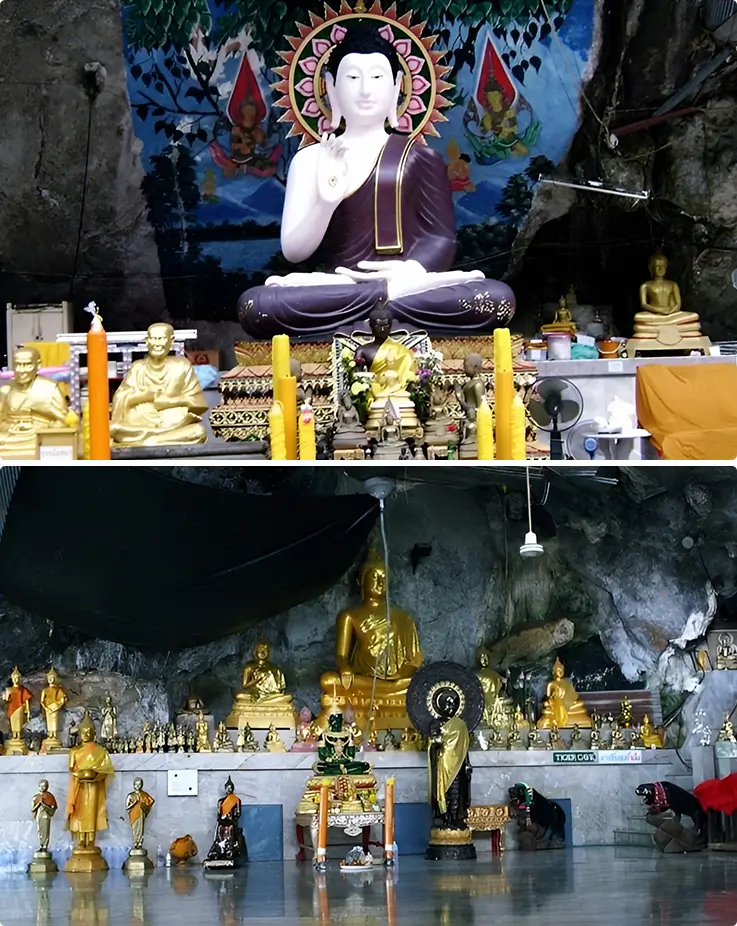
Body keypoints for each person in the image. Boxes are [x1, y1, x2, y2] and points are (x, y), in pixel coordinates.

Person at [237, 24, 515, 338]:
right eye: (353, 78)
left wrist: (412, 271)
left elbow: (441, 239)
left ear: (397, 87)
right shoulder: (310, 159)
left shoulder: (421, 157)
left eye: (378, 77)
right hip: (340, 288)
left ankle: (385, 296)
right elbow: (295, 251)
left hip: (408, 286)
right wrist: (326, 203)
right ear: (330, 87)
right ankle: (381, 298)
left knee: (495, 299)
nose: (366, 89)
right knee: (259, 306)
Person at [110, 322, 208, 446]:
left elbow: (198, 403)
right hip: (140, 423)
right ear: (147, 341)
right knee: (113, 429)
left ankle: (152, 441)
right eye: (153, 339)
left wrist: (170, 401)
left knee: (198, 431)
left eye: (161, 339)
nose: (157, 344)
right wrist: (145, 395)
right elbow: (120, 398)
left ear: (171, 341)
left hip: (173, 424)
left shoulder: (182, 365)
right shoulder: (138, 367)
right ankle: (158, 440)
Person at [0, 347, 77, 458]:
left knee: (50, 445)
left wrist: (43, 427)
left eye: (27, 365)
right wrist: (10, 427)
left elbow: (64, 420)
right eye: (17, 365)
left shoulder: (49, 388)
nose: (21, 371)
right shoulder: (5, 390)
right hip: (11, 437)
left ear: (38, 365)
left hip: (36, 435)